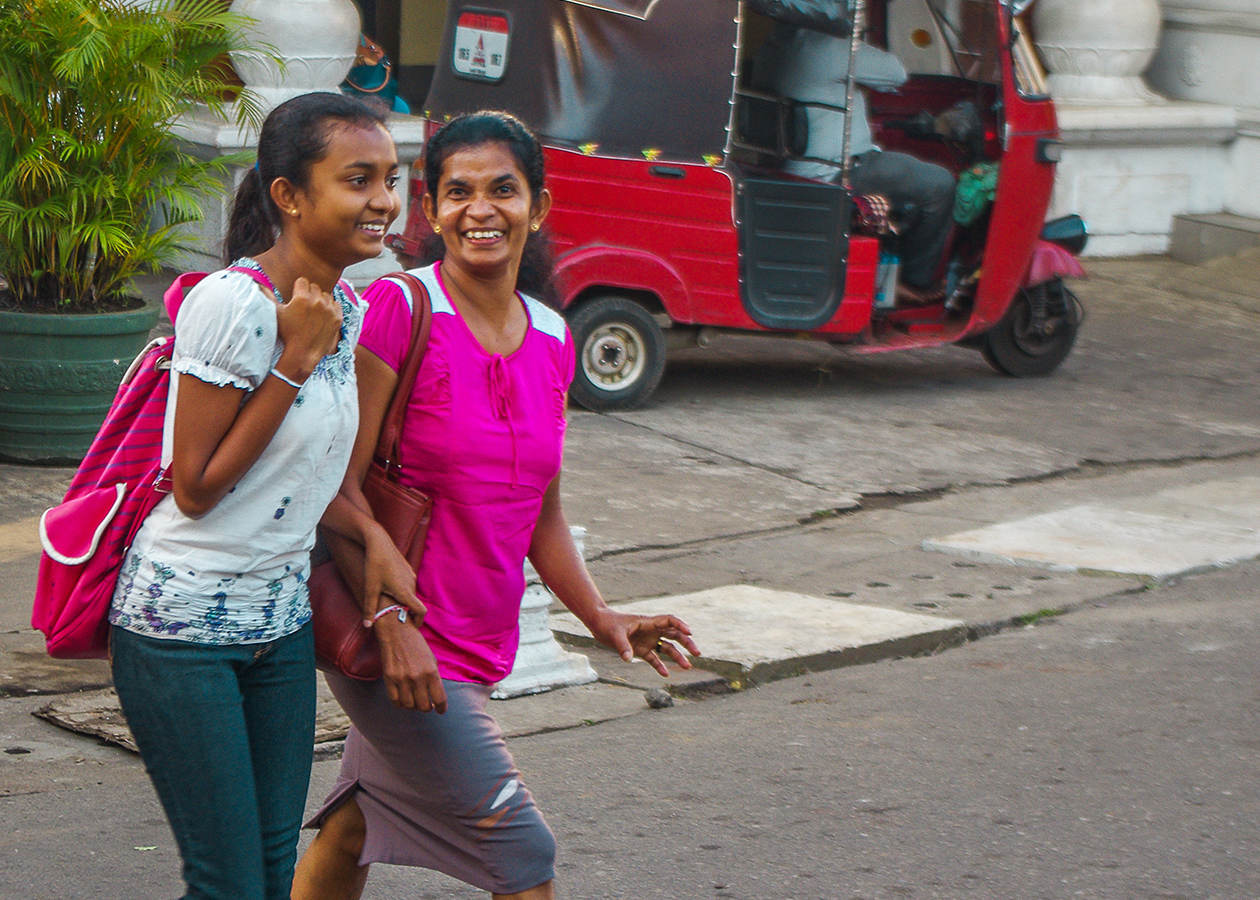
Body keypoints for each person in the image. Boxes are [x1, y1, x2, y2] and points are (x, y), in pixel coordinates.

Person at [293, 111, 702, 900]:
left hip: (480, 637)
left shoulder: (553, 336)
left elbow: (541, 510)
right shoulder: (401, 309)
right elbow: (333, 490)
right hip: (400, 641)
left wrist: (603, 618)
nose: (481, 210)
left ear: (537, 207)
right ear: (433, 209)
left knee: (354, 827)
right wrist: (392, 625)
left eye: (503, 190)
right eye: (459, 192)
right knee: (523, 854)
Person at [108, 92, 401, 900]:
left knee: (274, 878)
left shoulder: (348, 305)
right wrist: (293, 362)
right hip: (182, 629)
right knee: (229, 884)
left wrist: (369, 535)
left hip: (280, 627)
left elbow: (303, 476)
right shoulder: (231, 305)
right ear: (289, 195)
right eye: (358, 179)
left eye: (390, 178)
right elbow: (198, 487)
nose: (383, 199)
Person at [754, 23, 957, 301]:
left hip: (790, 169)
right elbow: (896, 74)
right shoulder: (828, 47)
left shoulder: (773, 45)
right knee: (940, 184)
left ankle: (885, 266)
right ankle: (915, 282)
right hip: (837, 172)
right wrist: (854, 43)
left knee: (904, 175)